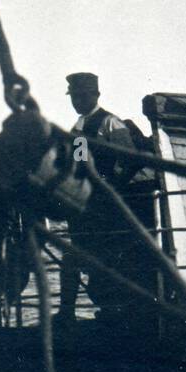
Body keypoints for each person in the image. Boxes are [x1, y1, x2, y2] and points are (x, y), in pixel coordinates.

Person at [58, 72, 137, 323]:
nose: (78, 101)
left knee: (107, 259)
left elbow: (130, 159)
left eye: (83, 96)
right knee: (74, 257)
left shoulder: (111, 124)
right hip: (84, 206)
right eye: (75, 97)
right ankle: (67, 312)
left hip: (107, 207)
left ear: (96, 95)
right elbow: (80, 164)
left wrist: (111, 185)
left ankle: (112, 311)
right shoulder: (77, 128)